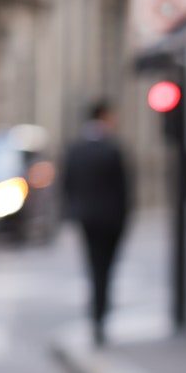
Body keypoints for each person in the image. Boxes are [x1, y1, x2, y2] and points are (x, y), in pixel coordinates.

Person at [62, 101, 132, 346]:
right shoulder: (112, 149)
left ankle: (96, 316)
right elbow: (124, 191)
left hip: (87, 221)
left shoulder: (75, 149)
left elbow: (67, 184)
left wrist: (73, 214)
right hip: (111, 222)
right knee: (106, 270)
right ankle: (100, 316)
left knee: (94, 268)